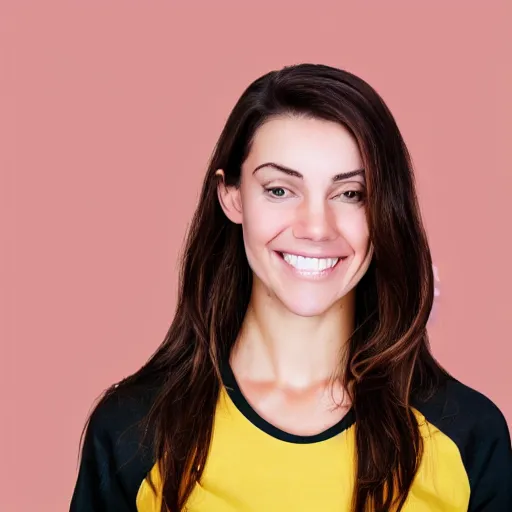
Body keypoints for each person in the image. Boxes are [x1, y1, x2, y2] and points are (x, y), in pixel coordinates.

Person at [69, 63, 512, 512]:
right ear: (233, 196)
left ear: (385, 211)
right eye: (280, 190)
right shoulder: (134, 428)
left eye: (351, 194)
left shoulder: (468, 437)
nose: (316, 228)